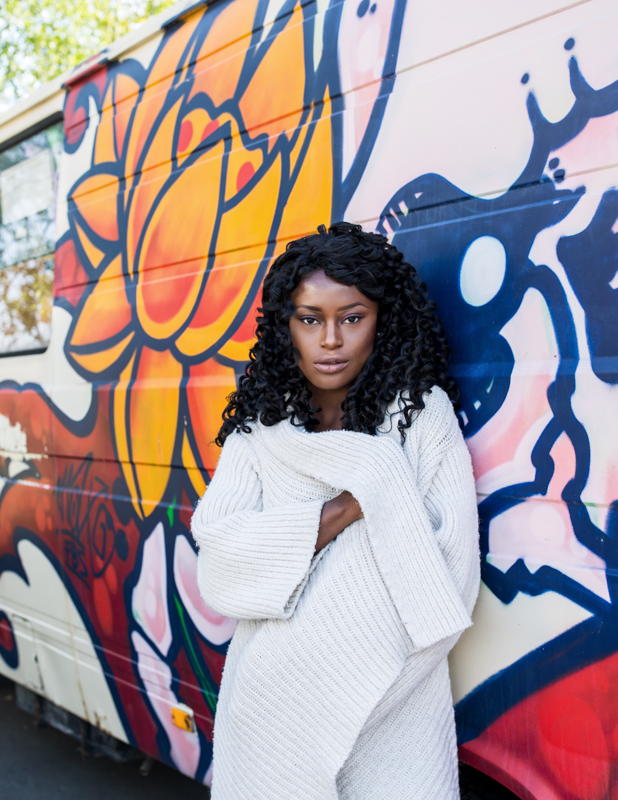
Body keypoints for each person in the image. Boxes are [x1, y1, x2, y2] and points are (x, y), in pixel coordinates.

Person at [190, 222, 481, 799]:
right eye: (309, 318)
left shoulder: (420, 418)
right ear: (286, 326)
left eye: (351, 317)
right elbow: (221, 563)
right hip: (271, 706)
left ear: (383, 319)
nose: (329, 339)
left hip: (397, 702)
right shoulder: (259, 433)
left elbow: (449, 579)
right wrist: (355, 501)